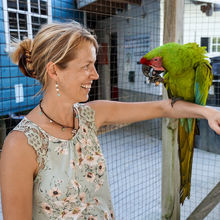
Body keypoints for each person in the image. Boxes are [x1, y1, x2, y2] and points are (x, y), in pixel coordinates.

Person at [0, 21, 220, 220]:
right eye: (86, 66)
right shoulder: (20, 145)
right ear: (54, 71)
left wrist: (208, 112)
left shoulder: (91, 115)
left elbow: (164, 107)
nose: (95, 74)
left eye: (94, 65)